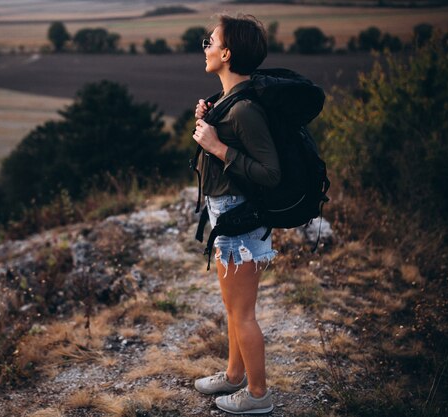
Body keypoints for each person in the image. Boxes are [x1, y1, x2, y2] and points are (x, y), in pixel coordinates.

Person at [192, 14, 280, 415]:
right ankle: (233, 376)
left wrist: (217, 147)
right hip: (229, 215)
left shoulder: (244, 110)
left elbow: (270, 174)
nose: (205, 46)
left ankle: (258, 396)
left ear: (226, 54)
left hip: (242, 221)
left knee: (242, 314)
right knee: (233, 310)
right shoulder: (229, 103)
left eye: (210, 40)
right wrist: (207, 123)